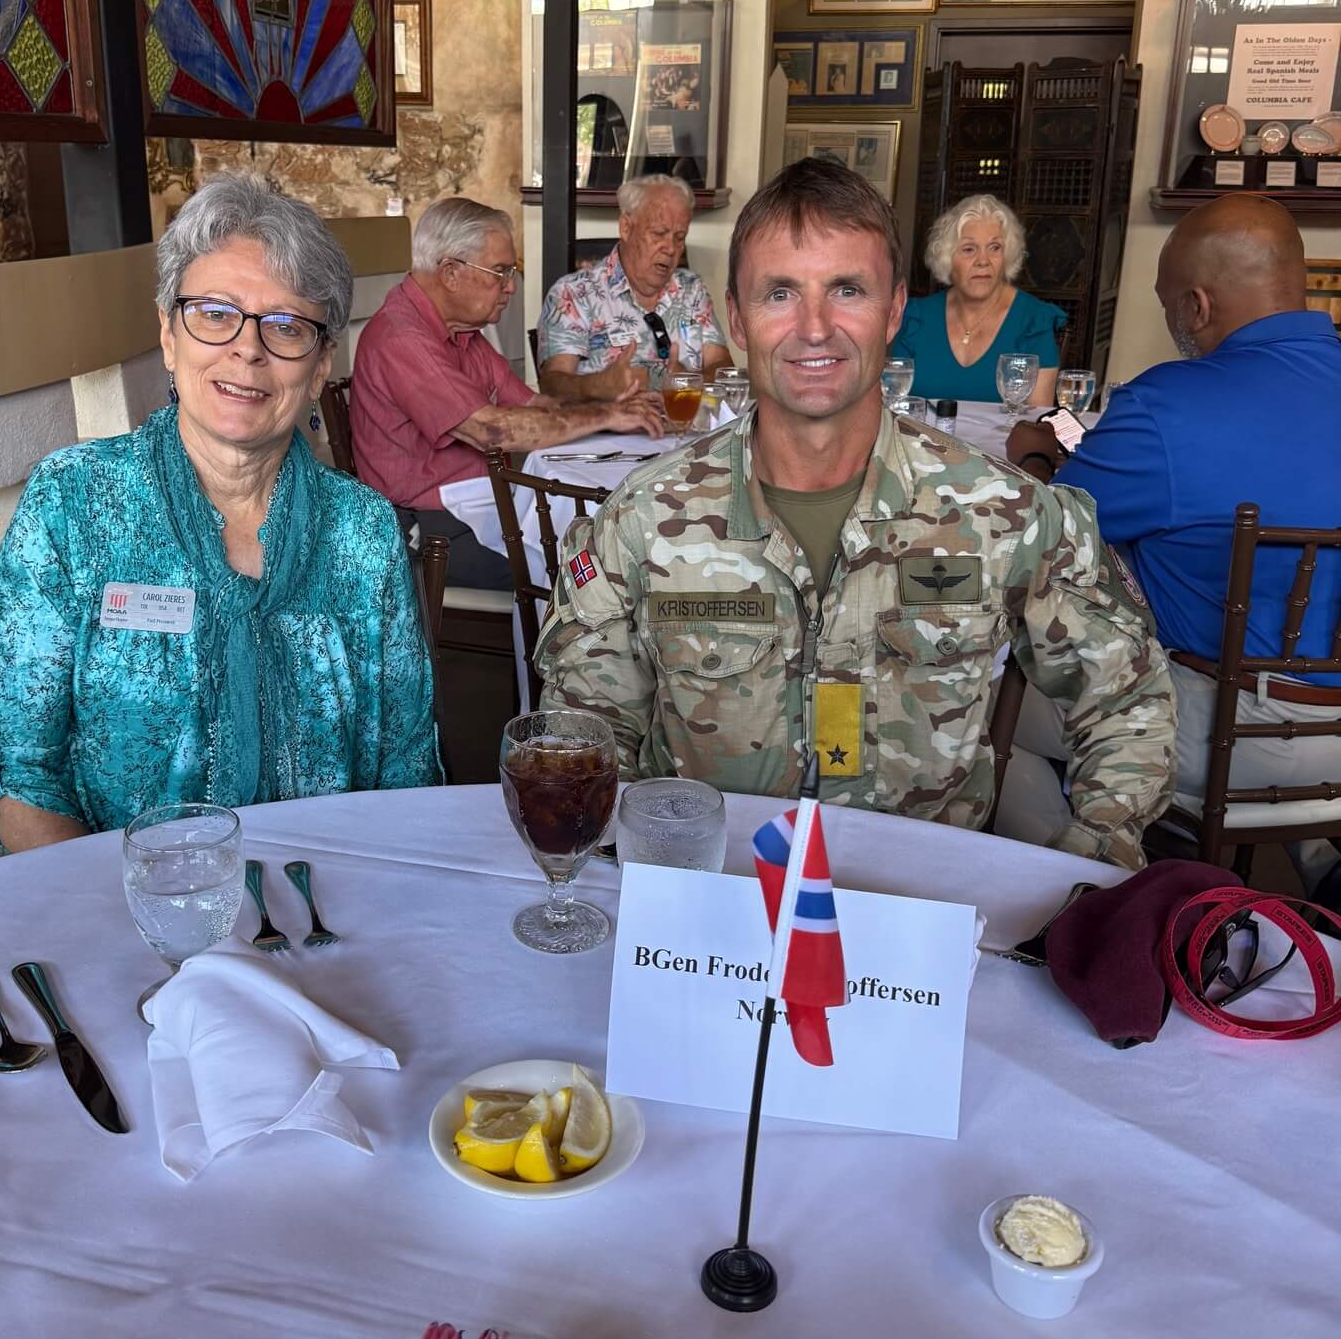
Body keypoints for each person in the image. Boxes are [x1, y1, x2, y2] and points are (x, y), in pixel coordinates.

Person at [536, 158, 1175, 868]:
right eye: (780, 293)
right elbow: (584, 728)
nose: (815, 328)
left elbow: (1127, 697)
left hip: (917, 902)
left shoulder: (1001, 511)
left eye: (847, 289)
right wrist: (635, 875)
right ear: (737, 318)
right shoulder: (645, 518)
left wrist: (1095, 856)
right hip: (712, 892)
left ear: (895, 310)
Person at [0, 175, 439, 852]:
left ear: (319, 365)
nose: (247, 349)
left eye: (286, 326)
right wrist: (121, 907)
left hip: (327, 895)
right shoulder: (73, 502)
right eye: (215, 314)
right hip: (123, 903)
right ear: (168, 334)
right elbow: (19, 768)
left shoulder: (362, 530)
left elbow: (406, 768)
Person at [1007, 193, 1341, 884]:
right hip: (1328, 738)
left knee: (990, 704)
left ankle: (1080, 896)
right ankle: (1315, 872)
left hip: (1228, 733)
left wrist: (1035, 457)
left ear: (1196, 304)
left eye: (1167, 305)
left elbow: (1043, 536)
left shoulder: (1169, 404)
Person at [348, 197, 662, 589]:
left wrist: (610, 402)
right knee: (593, 570)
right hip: (427, 532)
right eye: (500, 271)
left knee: (612, 544)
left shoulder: (462, 333)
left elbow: (534, 406)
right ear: (450, 273)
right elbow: (494, 430)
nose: (511, 286)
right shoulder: (402, 337)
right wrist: (608, 416)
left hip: (479, 508)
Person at [537, 174, 731, 398]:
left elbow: (722, 367)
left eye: (680, 237)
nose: (670, 248)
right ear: (626, 228)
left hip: (683, 419)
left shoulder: (691, 290)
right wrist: (598, 385)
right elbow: (552, 385)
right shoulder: (573, 294)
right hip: (608, 420)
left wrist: (689, 383)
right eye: (659, 234)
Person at [889, 194, 1062, 405]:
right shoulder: (916, 318)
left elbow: (1038, 417)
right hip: (919, 428)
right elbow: (893, 404)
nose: (983, 261)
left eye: (995, 248)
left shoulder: (1034, 322)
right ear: (947, 258)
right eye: (969, 249)